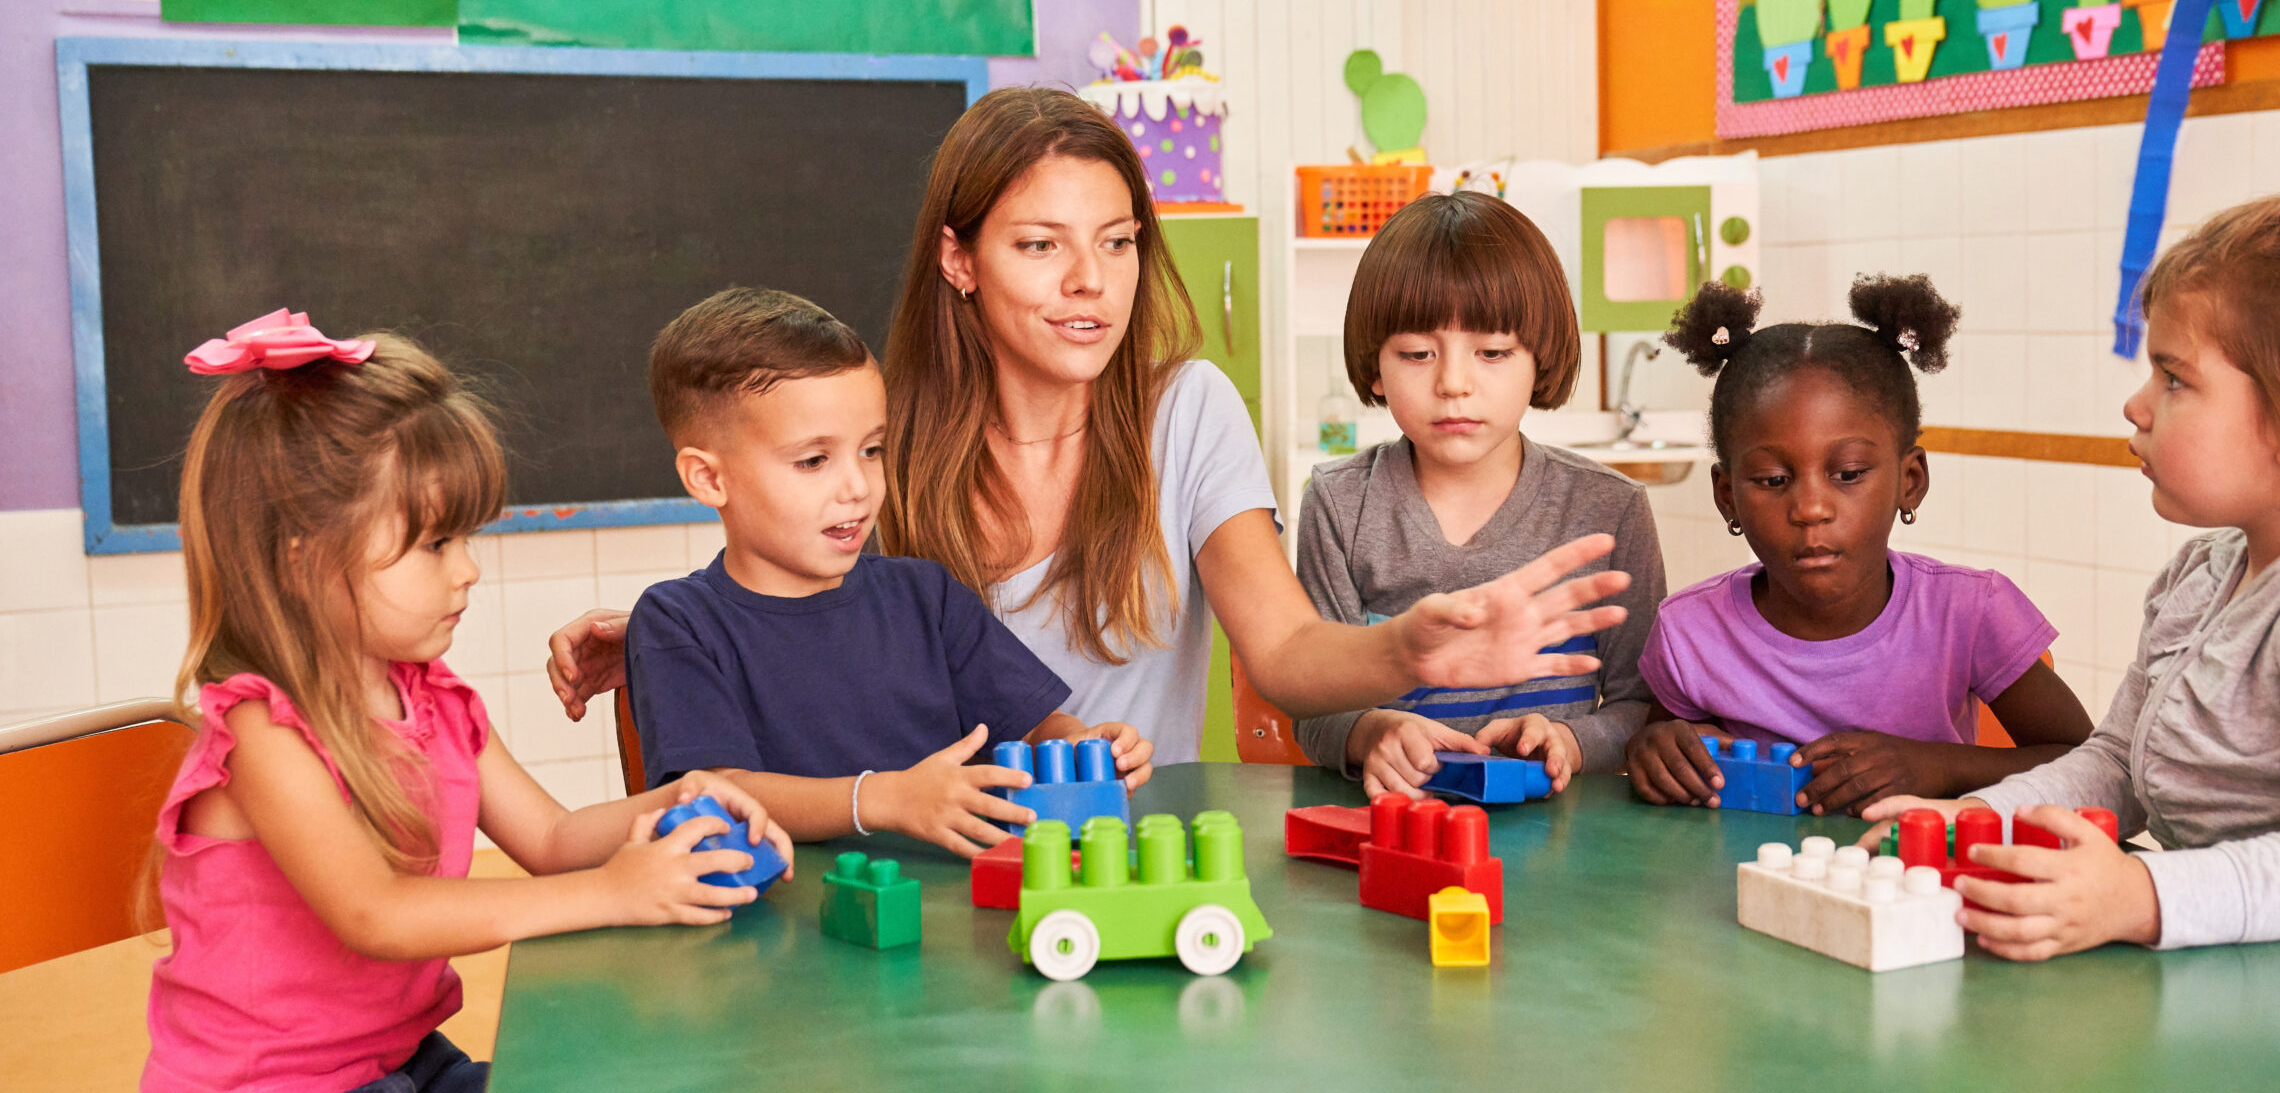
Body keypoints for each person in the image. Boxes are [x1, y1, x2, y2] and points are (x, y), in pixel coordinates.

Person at [546, 88, 1632, 757]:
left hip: (1122, 855)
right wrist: (669, 627)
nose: (1089, 284)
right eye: (1039, 245)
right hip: (934, 864)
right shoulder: (888, 443)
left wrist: (1407, 646)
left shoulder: (1187, 408)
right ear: (958, 259)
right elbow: (806, 613)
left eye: (1115, 242)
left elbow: (1288, 649)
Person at [1860, 187, 2280, 1091]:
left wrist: (2138, 895)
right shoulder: (2206, 572)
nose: (2136, 405)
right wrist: (1989, 816)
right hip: (2273, 1009)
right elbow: (2118, 762)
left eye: (2175, 378)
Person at [145, 313, 785, 1093]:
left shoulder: (435, 702)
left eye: (467, 538)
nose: (469, 571)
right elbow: (374, 914)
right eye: (436, 544)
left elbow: (551, 836)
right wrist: (612, 893)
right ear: (304, 556)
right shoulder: (260, 732)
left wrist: (682, 793)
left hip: (402, 1062)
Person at [623, 288, 1151, 854]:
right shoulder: (678, 622)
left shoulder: (927, 596)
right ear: (708, 479)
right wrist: (883, 799)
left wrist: (1083, 746)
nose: (858, 487)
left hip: (959, 907)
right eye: (813, 460)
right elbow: (719, 792)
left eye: (871, 450)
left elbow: (1036, 728)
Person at [1624, 275, 2093, 815]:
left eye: (1847, 473)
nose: (1811, 508)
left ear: (1909, 479)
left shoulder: (1968, 613)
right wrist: (1651, 750)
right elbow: (1657, 749)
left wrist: (1935, 767)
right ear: (1727, 496)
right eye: (1774, 479)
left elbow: (2084, 763)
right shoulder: (1691, 634)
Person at [1290, 192, 1663, 797]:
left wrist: (1569, 741)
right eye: (1417, 353)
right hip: (1392, 826)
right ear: (1376, 368)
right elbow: (1310, 701)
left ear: (1539, 362)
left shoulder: (1610, 509)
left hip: (1560, 837)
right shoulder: (1339, 503)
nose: (1454, 384)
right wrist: (1370, 731)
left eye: (1492, 353)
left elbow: (1643, 706)